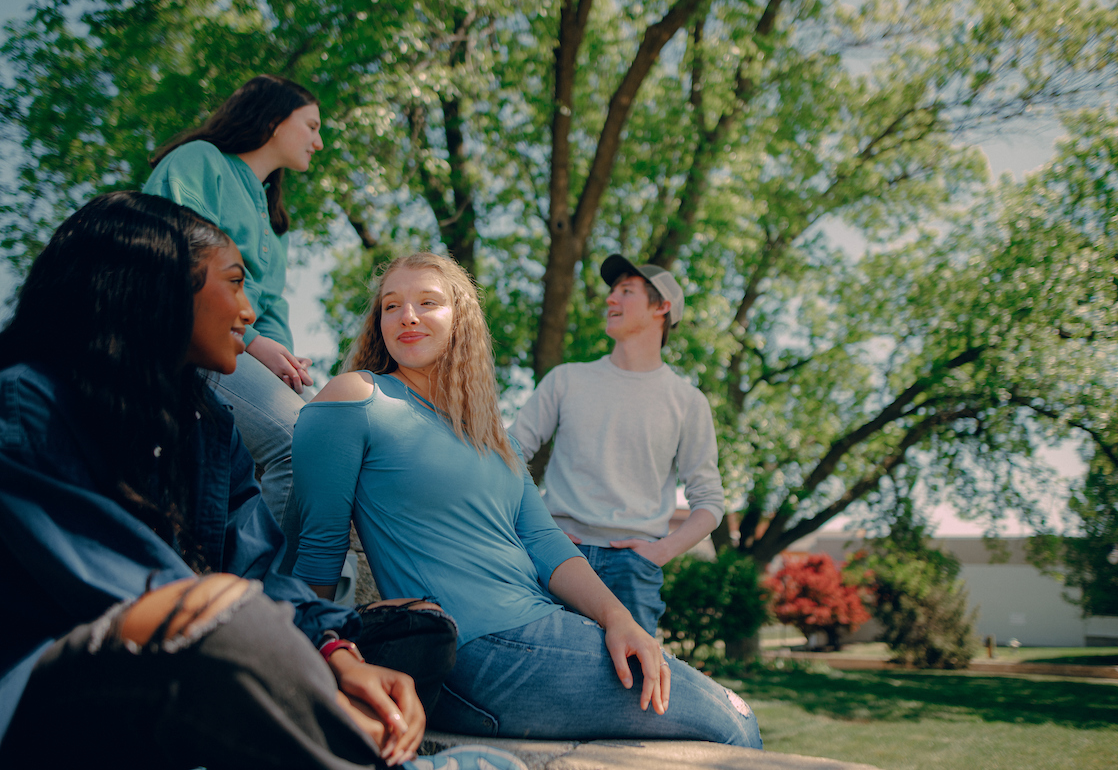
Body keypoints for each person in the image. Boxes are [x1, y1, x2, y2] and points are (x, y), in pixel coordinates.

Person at [0, 193, 523, 770]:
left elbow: (259, 568)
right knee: (228, 622)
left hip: (200, 651)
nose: (250, 313)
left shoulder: (207, 423)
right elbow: (140, 594)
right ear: (161, 285)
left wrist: (340, 656)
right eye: (234, 282)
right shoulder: (28, 403)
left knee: (410, 637)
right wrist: (300, 669)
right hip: (47, 695)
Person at [291, 253, 761, 745]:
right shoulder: (357, 399)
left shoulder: (492, 434)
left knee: (732, 717)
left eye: (427, 302)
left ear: (462, 319)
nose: (406, 315)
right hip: (470, 651)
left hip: (542, 627)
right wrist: (324, 663)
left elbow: (544, 540)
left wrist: (618, 618)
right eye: (391, 306)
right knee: (732, 723)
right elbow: (316, 551)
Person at [142, 74, 354, 595]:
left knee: (339, 436)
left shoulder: (273, 220)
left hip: (244, 353)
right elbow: (174, 257)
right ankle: (277, 602)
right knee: (299, 442)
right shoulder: (198, 163)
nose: (319, 141)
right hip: (187, 347)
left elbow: (273, 310)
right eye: (311, 125)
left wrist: (287, 363)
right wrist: (252, 342)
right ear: (274, 119)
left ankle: (329, 605)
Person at [510, 255, 724, 635]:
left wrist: (660, 553)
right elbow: (508, 455)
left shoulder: (687, 401)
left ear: (662, 307)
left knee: (630, 689)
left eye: (626, 291)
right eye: (611, 291)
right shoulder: (566, 380)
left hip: (633, 567)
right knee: (545, 681)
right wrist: (531, 530)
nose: (610, 299)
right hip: (556, 555)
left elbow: (709, 502)